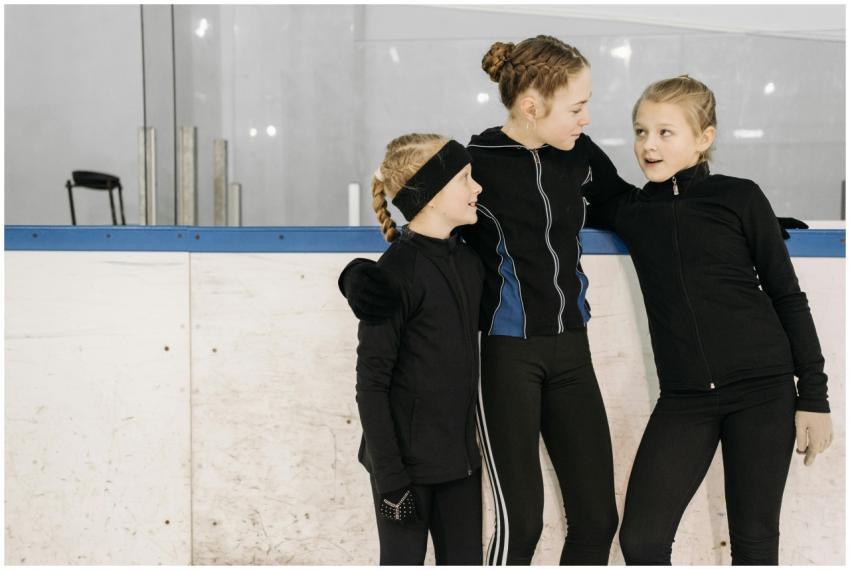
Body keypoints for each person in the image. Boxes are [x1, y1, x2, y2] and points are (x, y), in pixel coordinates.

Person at [343, 36, 630, 565]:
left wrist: (717, 219)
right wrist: (358, 275)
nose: (587, 118)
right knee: (521, 522)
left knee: (597, 518)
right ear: (531, 106)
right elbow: (428, 238)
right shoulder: (474, 165)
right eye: (577, 106)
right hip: (507, 358)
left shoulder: (579, 156)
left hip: (572, 350)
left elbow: (631, 209)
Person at [585, 75, 833, 565]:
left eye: (665, 132)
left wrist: (815, 398)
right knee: (641, 540)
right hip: (685, 399)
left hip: (764, 390)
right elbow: (577, 159)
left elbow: (787, 297)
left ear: (704, 138)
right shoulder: (631, 211)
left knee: (755, 542)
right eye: (640, 131)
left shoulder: (739, 197)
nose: (648, 145)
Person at [354, 132, 485, 565]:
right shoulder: (395, 273)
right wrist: (391, 479)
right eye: (465, 178)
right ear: (429, 195)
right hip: (404, 471)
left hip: (460, 465)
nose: (477, 188)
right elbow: (371, 385)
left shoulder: (468, 262)